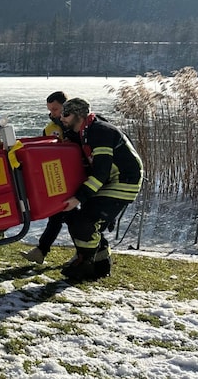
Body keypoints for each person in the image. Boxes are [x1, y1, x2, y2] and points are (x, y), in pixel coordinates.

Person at [59, 97, 143, 280]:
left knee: (85, 222)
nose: (62, 118)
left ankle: (85, 264)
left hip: (123, 182)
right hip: (110, 181)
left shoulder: (99, 131)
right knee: (74, 218)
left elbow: (101, 172)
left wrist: (79, 198)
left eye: (66, 114)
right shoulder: (86, 129)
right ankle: (101, 265)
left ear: (79, 115)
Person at [21, 91, 70, 264]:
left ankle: (89, 253)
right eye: (50, 110)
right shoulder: (50, 129)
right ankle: (41, 251)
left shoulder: (78, 125)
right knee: (58, 216)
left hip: (77, 180)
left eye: (55, 109)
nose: (53, 113)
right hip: (58, 179)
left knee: (74, 218)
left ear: (66, 106)